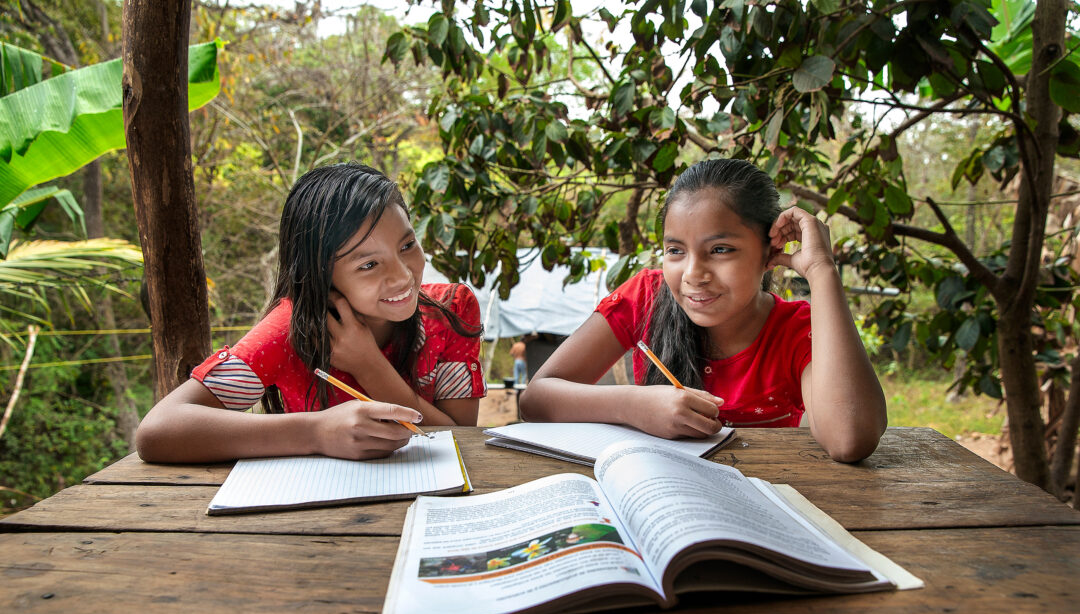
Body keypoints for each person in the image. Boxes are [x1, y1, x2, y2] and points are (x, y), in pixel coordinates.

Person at [518, 158, 886, 462]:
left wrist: (822, 270)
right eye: (676, 251)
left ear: (770, 251)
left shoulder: (794, 330)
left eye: (720, 249)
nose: (693, 274)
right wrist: (634, 405)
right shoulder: (647, 296)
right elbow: (537, 399)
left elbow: (849, 439)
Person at [136, 163, 486, 463]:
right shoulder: (293, 329)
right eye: (368, 264)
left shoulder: (450, 311)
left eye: (407, 246)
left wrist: (369, 366)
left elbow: (459, 437)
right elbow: (159, 430)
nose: (402, 275)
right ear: (319, 274)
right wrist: (315, 432)